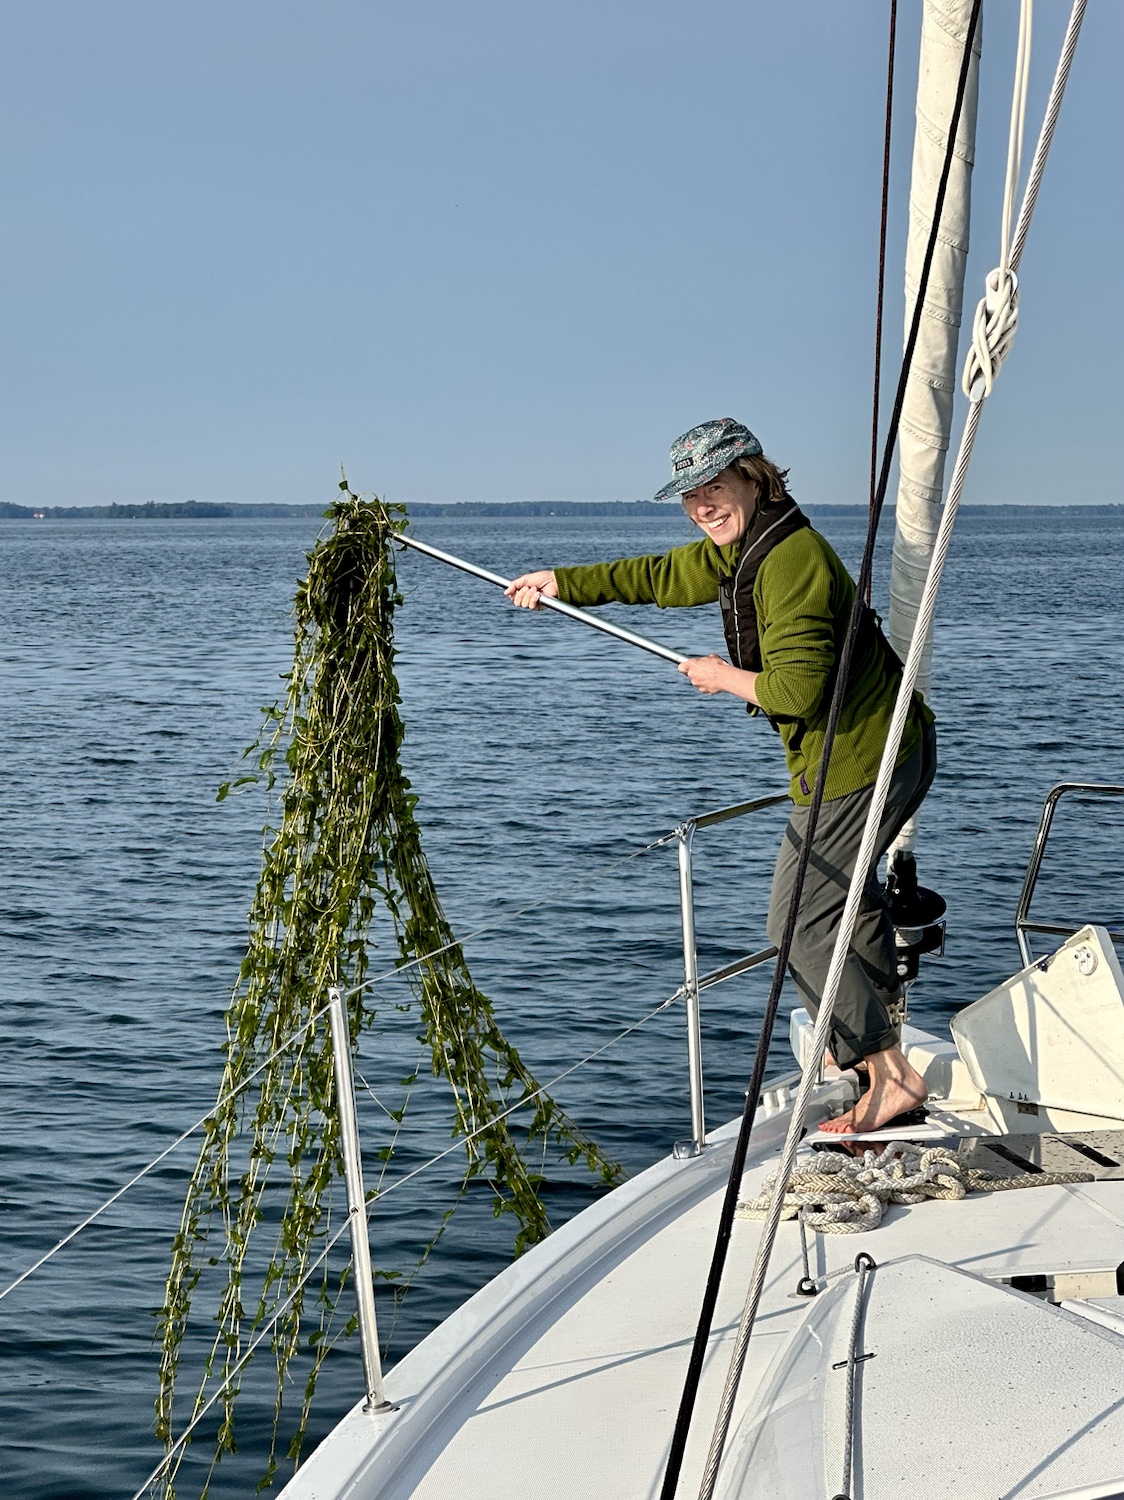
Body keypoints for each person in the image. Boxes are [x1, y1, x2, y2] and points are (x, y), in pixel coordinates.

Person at [505, 417, 937, 1134]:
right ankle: (870, 1053)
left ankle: (891, 1074)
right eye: (689, 495)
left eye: (714, 486)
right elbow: (659, 575)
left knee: (797, 919)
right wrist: (563, 583)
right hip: (875, 749)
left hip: (864, 759)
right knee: (844, 902)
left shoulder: (789, 560)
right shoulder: (745, 547)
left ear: (754, 477)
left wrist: (721, 677)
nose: (702, 505)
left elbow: (797, 690)